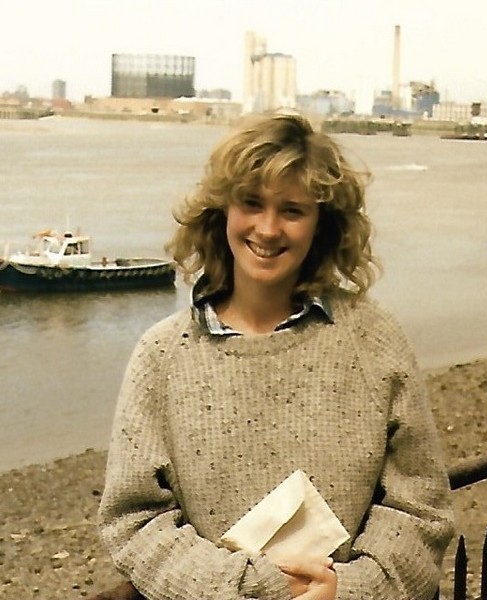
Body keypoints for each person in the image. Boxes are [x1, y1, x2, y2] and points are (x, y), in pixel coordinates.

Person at [93, 112, 454, 600]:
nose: (267, 228)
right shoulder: (162, 356)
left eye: (292, 210)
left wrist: (348, 591)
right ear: (222, 211)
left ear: (321, 224)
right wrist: (251, 587)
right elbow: (134, 521)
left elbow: (420, 509)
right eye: (251, 203)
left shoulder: (373, 338)